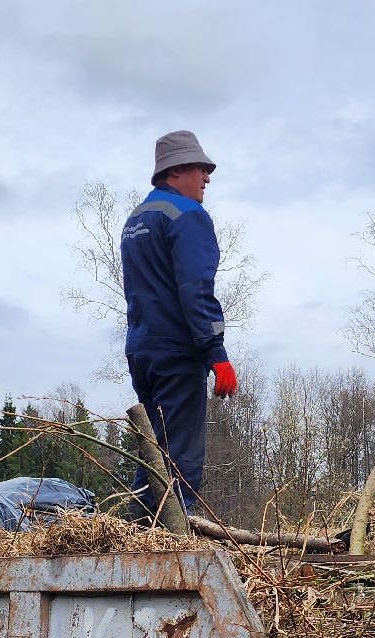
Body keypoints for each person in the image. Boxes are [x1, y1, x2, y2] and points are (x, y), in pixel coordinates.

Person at [119, 129, 235, 510]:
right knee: (181, 461)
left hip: (142, 353)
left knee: (152, 457)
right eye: (200, 169)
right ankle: (174, 551)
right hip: (176, 353)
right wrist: (216, 353)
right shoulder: (188, 216)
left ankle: (134, 539)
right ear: (174, 172)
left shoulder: (136, 220)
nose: (207, 178)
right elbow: (195, 288)